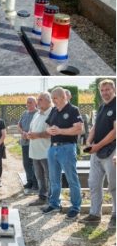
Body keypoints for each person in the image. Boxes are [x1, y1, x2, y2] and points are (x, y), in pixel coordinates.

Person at [43, 87, 83, 218]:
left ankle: (76, 207)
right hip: (53, 148)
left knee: (72, 178)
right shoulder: (54, 110)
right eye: (52, 98)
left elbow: (78, 129)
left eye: (55, 98)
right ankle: (54, 203)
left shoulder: (73, 110)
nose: (53, 101)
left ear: (62, 97)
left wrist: (60, 131)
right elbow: (47, 126)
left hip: (67, 147)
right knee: (54, 178)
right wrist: (50, 130)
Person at [84, 79, 115, 224]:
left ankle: (115, 214)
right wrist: (89, 143)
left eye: (107, 89)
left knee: (114, 184)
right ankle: (95, 214)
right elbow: (95, 127)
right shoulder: (102, 107)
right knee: (93, 183)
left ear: (113, 89)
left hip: (112, 150)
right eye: (102, 90)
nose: (105, 93)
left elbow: (115, 132)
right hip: (97, 151)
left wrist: (97, 146)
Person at [26, 92, 54, 204]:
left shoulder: (52, 113)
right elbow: (31, 129)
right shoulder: (37, 114)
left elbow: (51, 132)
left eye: (40, 99)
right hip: (35, 151)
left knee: (50, 176)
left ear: (48, 100)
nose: (38, 102)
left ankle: (52, 198)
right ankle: (42, 197)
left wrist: (36, 135)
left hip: (46, 151)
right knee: (39, 177)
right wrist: (29, 134)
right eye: (38, 99)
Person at [18, 96, 39, 192]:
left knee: (34, 163)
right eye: (27, 102)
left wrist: (29, 134)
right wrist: (22, 133)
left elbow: (38, 127)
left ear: (35, 104)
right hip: (24, 142)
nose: (28, 104)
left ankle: (36, 183)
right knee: (26, 163)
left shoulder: (38, 114)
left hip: (34, 142)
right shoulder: (24, 113)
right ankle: (29, 181)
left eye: (31, 102)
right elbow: (19, 125)